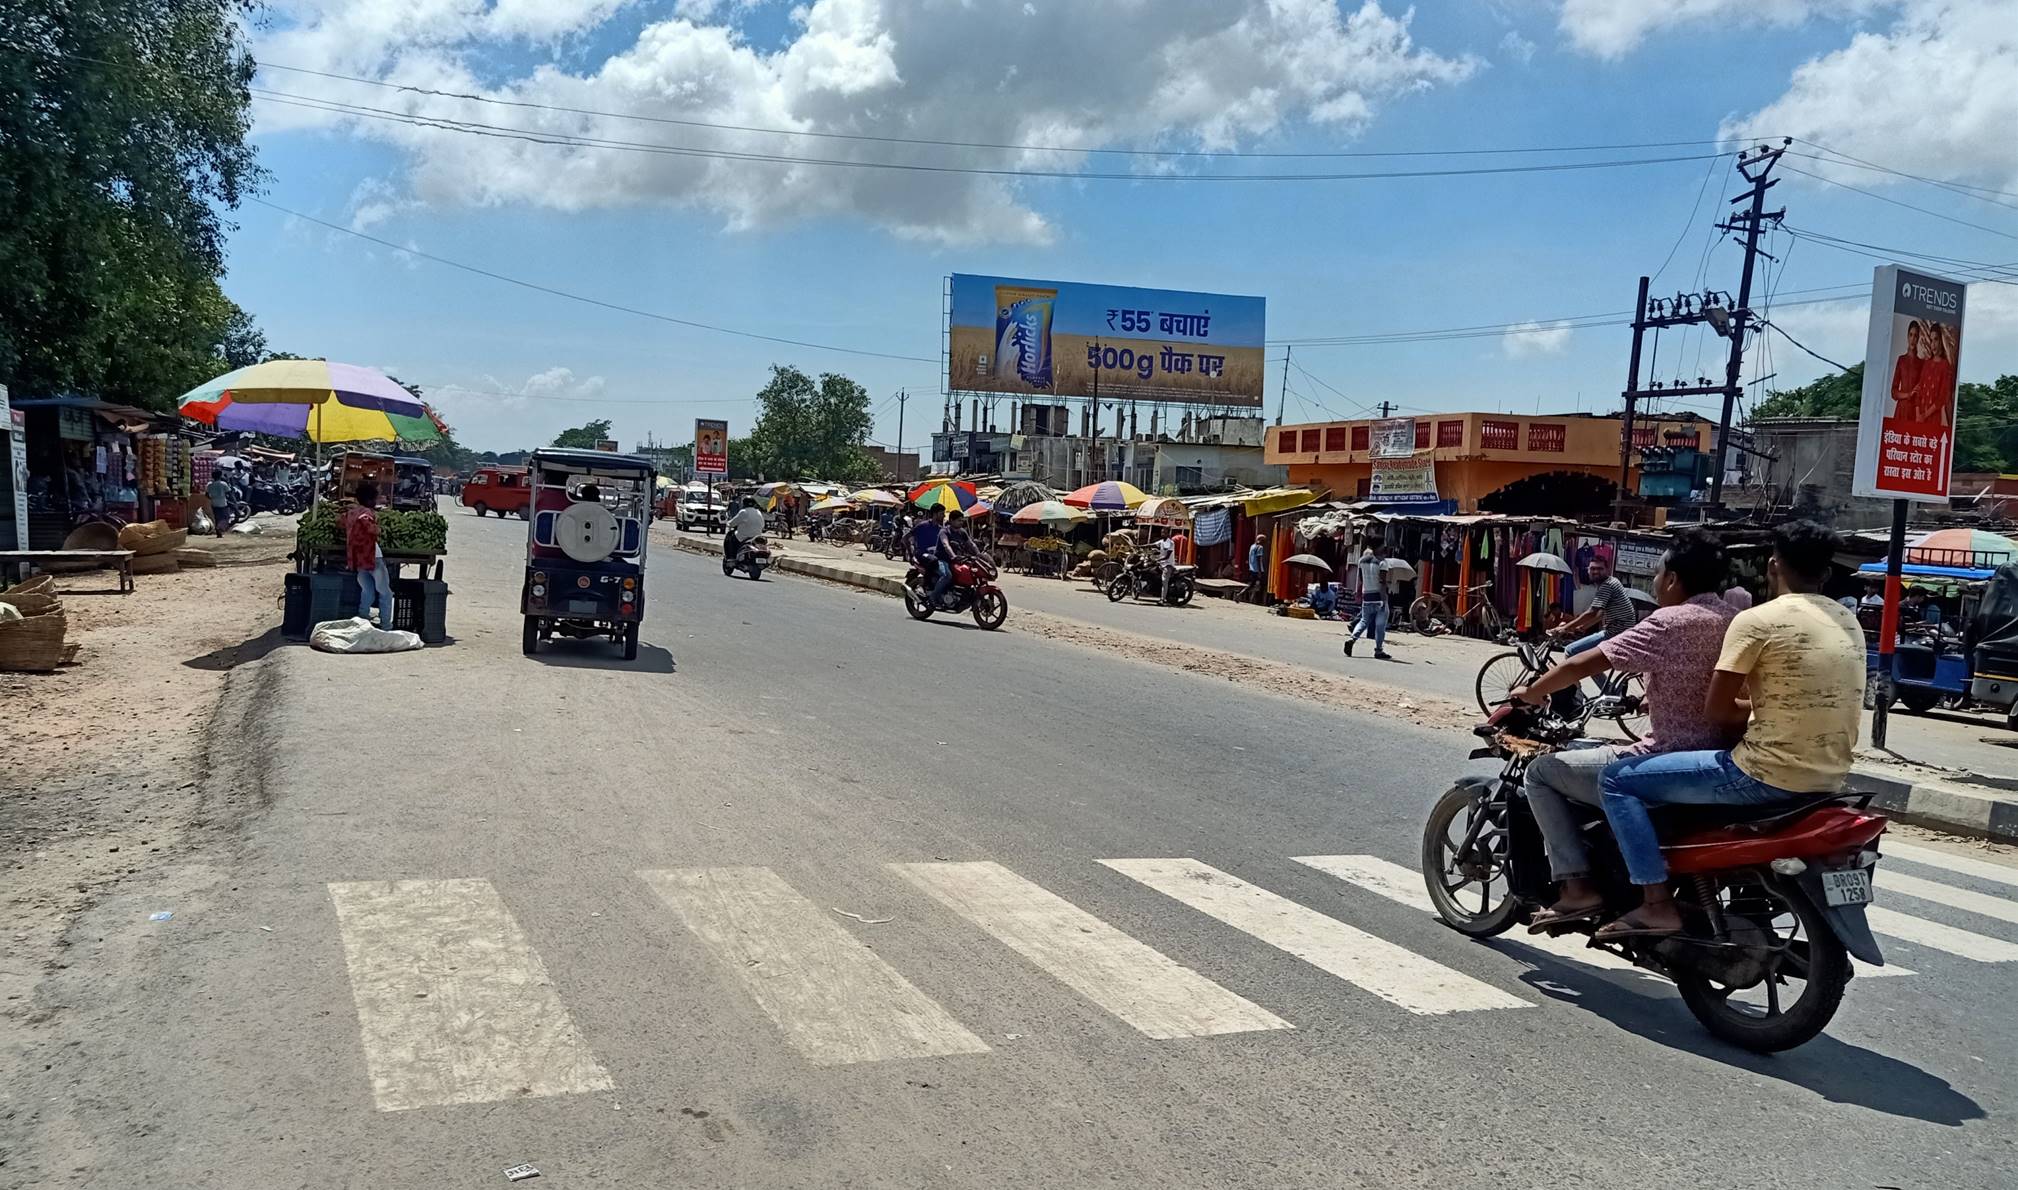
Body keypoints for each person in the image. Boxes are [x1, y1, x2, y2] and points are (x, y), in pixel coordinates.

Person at [1594, 520, 1866, 939]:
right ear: (1826, 574)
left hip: (1761, 775)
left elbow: (1718, 712)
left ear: (1773, 565)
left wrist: (1760, 715)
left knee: (1615, 781)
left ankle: (1655, 903)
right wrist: (1770, 710)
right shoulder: (1848, 620)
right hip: (1830, 779)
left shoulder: (1756, 619)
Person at [1509, 530, 1738, 929]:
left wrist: (1532, 692)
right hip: (1718, 756)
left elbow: (1582, 664)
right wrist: (1649, 700)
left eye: (1657, 573)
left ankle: (1577, 889)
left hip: (1667, 758)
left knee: (1540, 772)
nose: (1654, 582)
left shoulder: (1670, 621)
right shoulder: (1733, 621)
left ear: (1672, 579)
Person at [1552, 549, 1638, 658]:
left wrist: (1565, 628)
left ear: (1607, 569)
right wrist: (1583, 627)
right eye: (1593, 569)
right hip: (1619, 631)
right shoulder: (1611, 581)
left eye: (1600, 569)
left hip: (1615, 632)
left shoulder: (1608, 585)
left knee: (1571, 650)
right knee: (1589, 658)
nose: (1596, 571)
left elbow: (1592, 612)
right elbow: (1600, 614)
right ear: (1588, 570)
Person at [344, 481, 391, 624]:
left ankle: (362, 619)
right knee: (385, 593)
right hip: (373, 557)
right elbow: (367, 523)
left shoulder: (350, 513)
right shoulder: (367, 513)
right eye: (375, 499)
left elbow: (339, 521)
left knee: (367, 591)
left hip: (358, 558)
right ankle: (386, 625)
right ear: (370, 500)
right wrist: (378, 529)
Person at [1343, 542, 1391, 659]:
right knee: (1380, 625)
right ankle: (1378, 650)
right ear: (1378, 548)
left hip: (1367, 595)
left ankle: (1352, 638)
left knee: (1364, 621)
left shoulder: (1361, 561)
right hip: (1378, 596)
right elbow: (1382, 582)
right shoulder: (1382, 563)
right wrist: (1384, 599)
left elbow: (1360, 577)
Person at [916, 507, 950, 604]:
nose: (943, 516)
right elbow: (906, 538)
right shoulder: (923, 525)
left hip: (933, 554)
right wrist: (911, 553)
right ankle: (922, 586)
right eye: (941, 513)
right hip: (922, 554)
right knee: (933, 560)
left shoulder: (941, 529)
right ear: (935, 514)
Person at [724, 496, 765, 562]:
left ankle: (731, 557)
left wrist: (728, 523)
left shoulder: (743, 512)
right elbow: (763, 525)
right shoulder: (758, 512)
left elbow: (732, 523)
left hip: (743, 537)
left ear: (744, 503)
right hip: (757, 537)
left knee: (731, 539)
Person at [206, 472, 235, 538]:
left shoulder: (209, 485)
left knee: (217, 518)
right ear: (220, 476)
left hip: (214, 503)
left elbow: (207, 494)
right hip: (222, 503)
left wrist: (211, 498)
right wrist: (234, 501)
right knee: (226, 517)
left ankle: (219, 534)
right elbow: (229, 493)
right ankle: (219, 528)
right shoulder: (223, 484)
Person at [1156, 533, 1178, 605]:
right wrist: (1139, 546)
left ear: (1168, 534)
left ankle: (1163, 599)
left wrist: (1158, 560)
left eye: (1164, 532)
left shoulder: (1170, 543)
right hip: (1161, 564)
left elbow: (1167, 556)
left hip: (1168, 564)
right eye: (1162, 532)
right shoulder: (1161, 541)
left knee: (1164, 581)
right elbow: (1152, 544)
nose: (1162, 534)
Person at [1244, 536, 1267, 605]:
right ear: (1260, 540)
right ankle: (1259, 601)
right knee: (1262, 585)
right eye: (1263, 541)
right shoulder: (1260, 547)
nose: (1264, 543)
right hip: (1258, 570)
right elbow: (1258, 559)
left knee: (1252, 584)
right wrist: (1260, 571)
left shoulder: (1252, 546)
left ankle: (1242, 595)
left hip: (1252, 568)